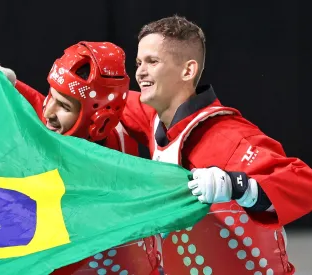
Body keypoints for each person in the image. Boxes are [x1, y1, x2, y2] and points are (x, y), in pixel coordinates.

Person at [118, 15, 312, 274]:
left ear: (188, 71)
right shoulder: (153, 118)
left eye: (153, 62)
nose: (140, 71)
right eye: (139, 62)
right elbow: (106, 100)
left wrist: (237, 185)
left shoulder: (225, 136)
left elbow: (304, 183)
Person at [0, 42, 161, 275]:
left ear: (99, 119)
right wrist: (11, 86)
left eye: (62, 105)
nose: (48, 112)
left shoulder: (104, 161)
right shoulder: (114, 114)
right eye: (51, 95)